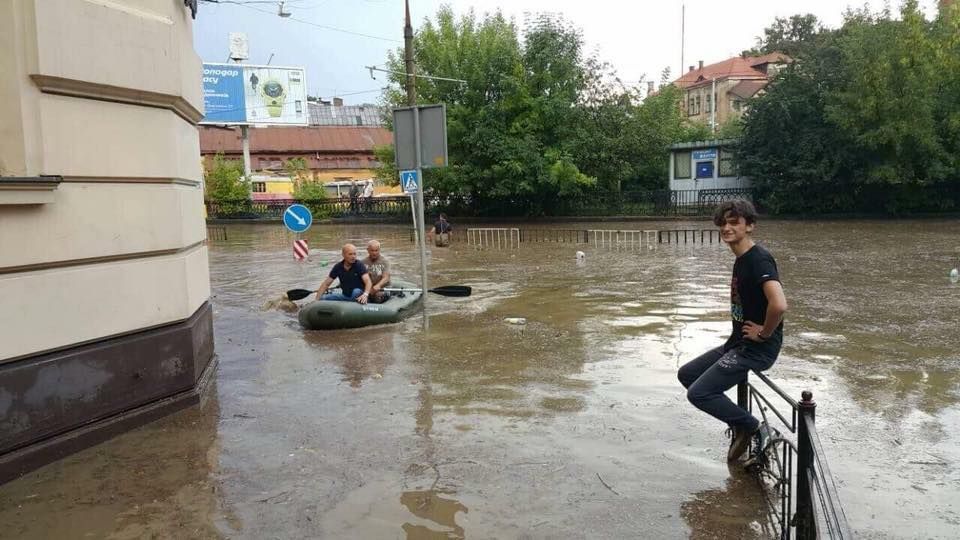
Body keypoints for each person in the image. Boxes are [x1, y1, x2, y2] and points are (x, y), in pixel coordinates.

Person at [677, 200, 788, 465]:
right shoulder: (741, 260)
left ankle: (758, 429)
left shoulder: (758, 259)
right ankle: (740, 424)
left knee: (699, 393)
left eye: (734, 222)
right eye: (723, 223)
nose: (727, 228)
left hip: (756, 349)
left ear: (749, 226)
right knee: (688, 374)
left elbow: (779, 304)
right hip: (738, 343)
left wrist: (764, 334)